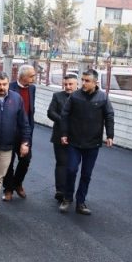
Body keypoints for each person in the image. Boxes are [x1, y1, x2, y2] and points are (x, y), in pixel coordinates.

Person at [59, 68, 115, 215]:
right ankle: (67, 198)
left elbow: (109, 116)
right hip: (74, 142)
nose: (83, 83)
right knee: (71, 170)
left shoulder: (103, 98)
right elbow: (65, 115)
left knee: (86, 174)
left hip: (93, 143)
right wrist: (64, 133)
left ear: (95, 82)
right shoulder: (75, 96)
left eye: (87, 81)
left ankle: (81, 202)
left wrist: (110, 135)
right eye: (82, 80)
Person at [0, 71, 30, 220]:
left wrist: (25, 142)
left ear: (9, 84)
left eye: (4, 84)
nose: (2, 87)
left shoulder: (16, 98)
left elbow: (24, 123)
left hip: (8, 145)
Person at [2, 64, 36, 201]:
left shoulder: (33, 89)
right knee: (8, 163)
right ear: (22, 77)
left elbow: (29, 110)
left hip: (25, 132)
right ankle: (8, 189)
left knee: (25, 160)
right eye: (31, 76)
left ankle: (17, 183)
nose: (34, 78)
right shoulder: (8, 87)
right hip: (9, 133)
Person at [46, 72, 79, 202]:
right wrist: (63, 120)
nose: (68, 86)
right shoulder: (57, 96)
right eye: (65, 84)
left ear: (77, 84)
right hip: (59, 135)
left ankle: (69, 190)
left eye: (71, 84)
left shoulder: (82, 97)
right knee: (61, 163)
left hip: (77, 136)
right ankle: (60, 190)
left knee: (72, 166)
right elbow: (50, 112)